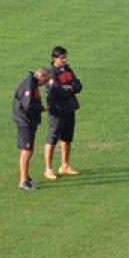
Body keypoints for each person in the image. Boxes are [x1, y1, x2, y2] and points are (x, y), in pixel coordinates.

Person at [43, 46, 83, 179]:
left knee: (67, 137)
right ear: (54, 58)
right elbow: (55, 90)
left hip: (69, 108)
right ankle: (48, 168)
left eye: (65, 57)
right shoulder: (51, 73)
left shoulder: (67, 69)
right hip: (57, 111)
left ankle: (65, 165)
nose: (65, 60)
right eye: (62, 58)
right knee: (52, 138)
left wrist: (69, 87)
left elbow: (78, 85)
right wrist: (68, 88)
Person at [13, 68, 49, 191]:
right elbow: (28, 106)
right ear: (41, 76)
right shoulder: (29, 86)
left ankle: (26, 177)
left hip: (28, 121)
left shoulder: (32, 83)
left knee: (29, 150)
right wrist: (42, 108)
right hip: (25, 122)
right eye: (44, 81)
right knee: (26, 151)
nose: (43, 85)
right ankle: (23, 181)